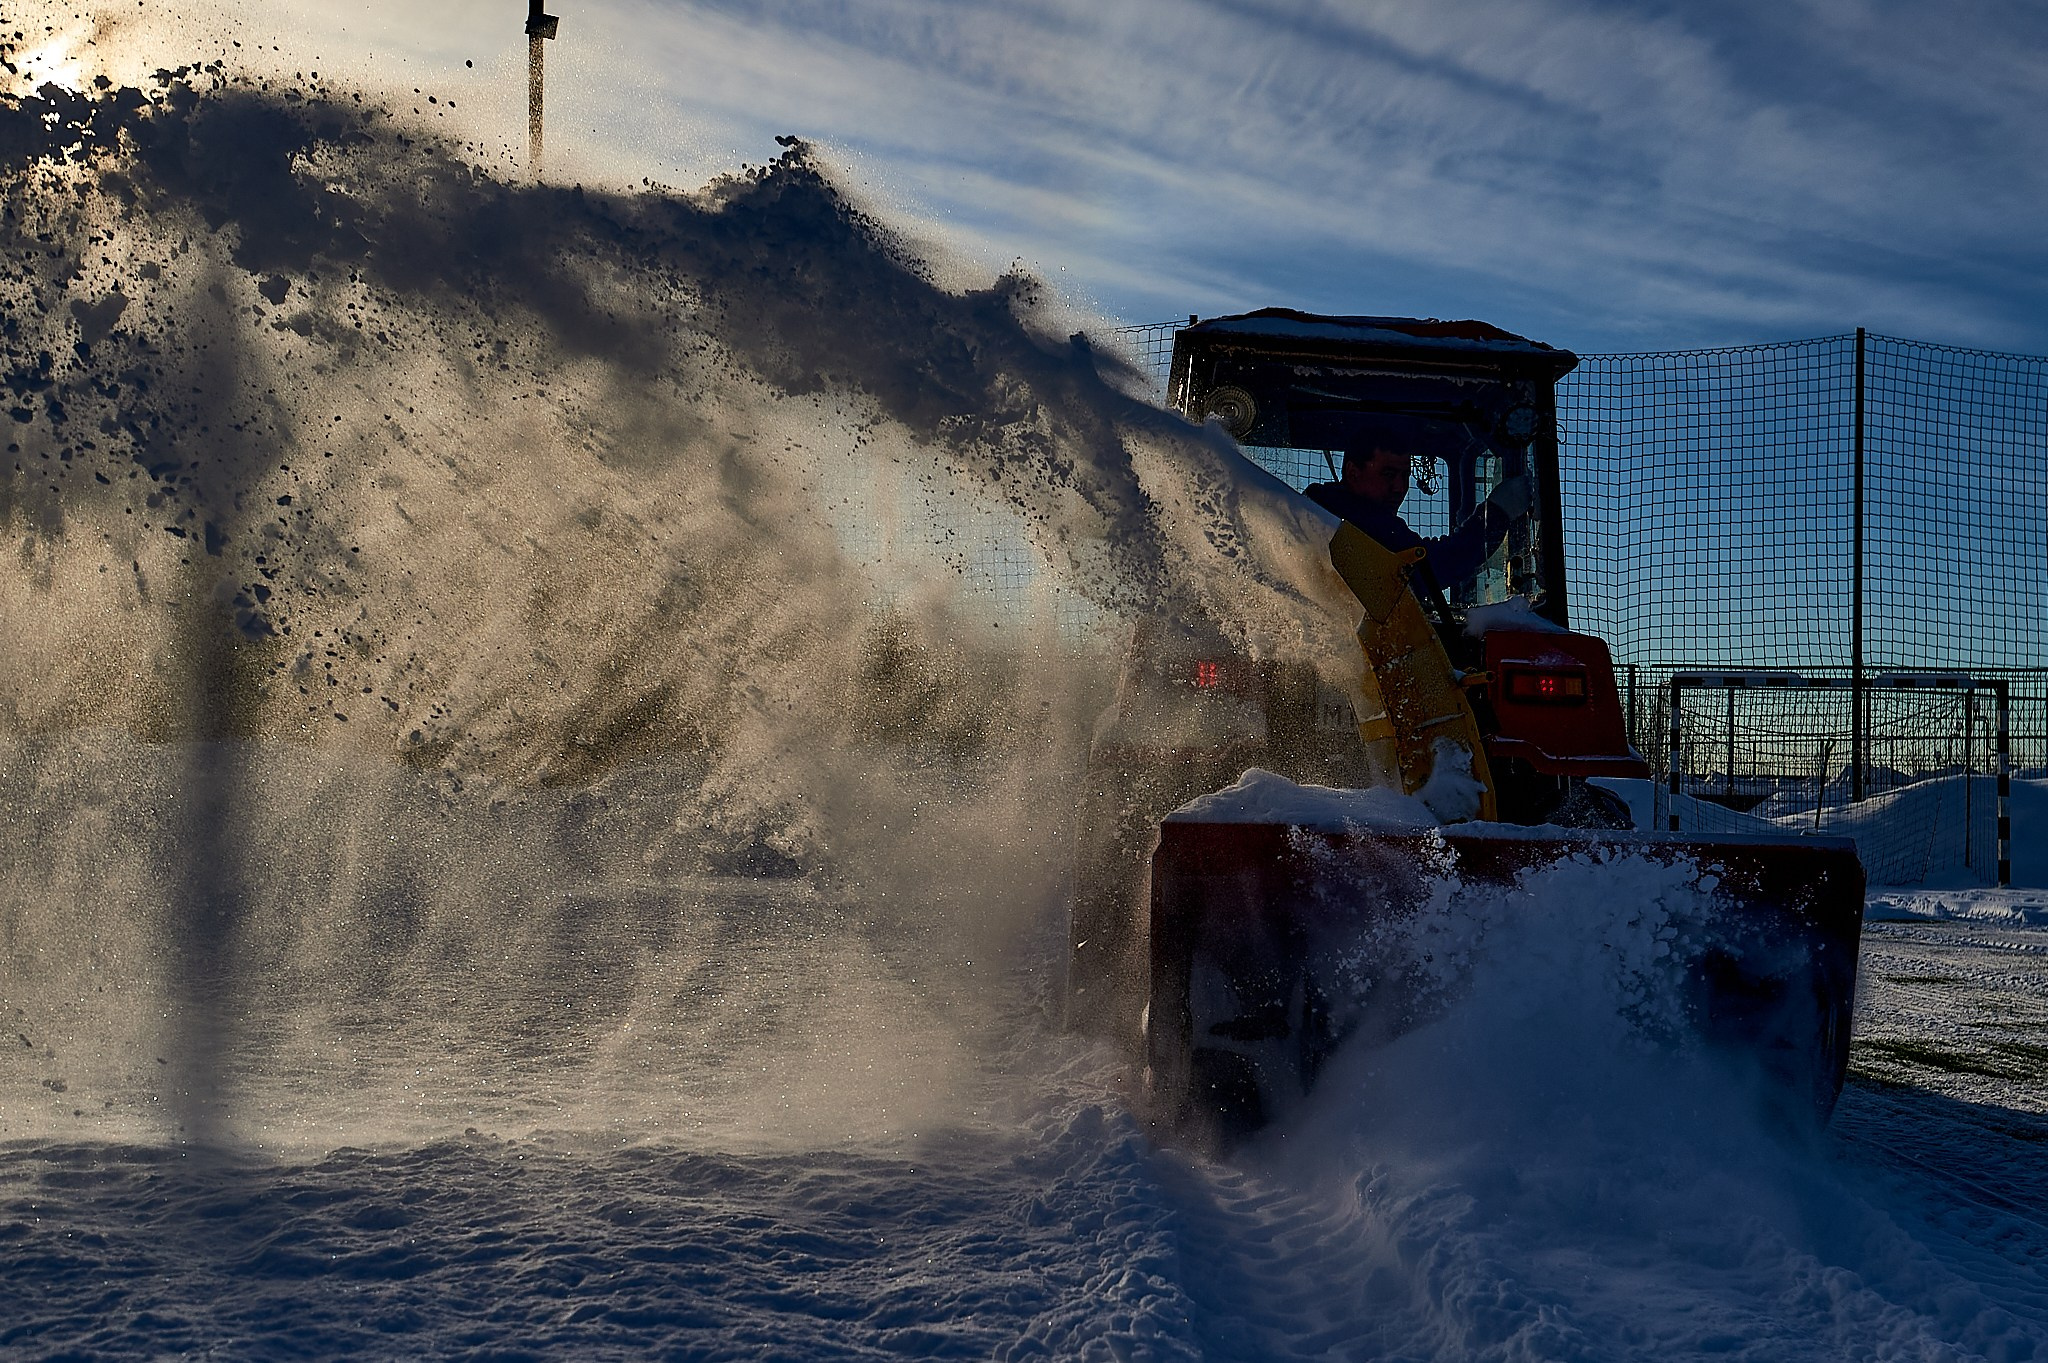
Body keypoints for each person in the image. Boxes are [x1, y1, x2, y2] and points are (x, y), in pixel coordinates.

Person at [1302, 424, 1529, 594]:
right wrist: (1498, 511)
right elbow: (1436, 566)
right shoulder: (1352, 518)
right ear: (1353, 473)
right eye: (1388, 474)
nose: (1400, 488)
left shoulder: (1321, 508)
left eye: (1405, 476)